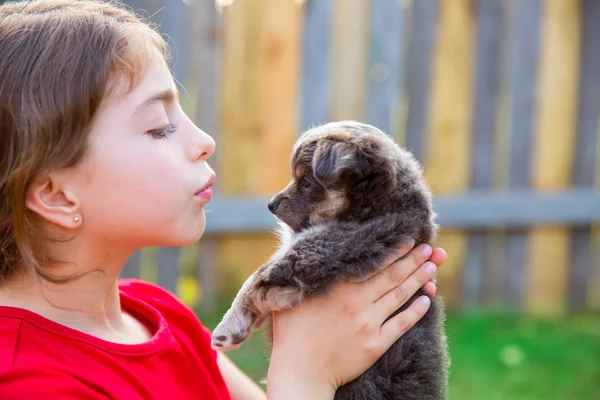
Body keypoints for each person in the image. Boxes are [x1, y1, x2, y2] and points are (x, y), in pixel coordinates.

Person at [0, 1, 447, 399]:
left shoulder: (161, 316)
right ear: (56, 196)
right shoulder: (29, 380)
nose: (205, 140)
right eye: (158, 127)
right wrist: (303, 377)